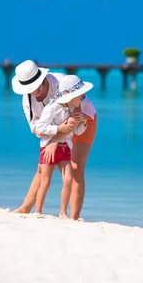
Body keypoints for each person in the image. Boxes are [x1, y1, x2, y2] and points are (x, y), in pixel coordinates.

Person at [11, 60, 98, 220]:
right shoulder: (28, 100)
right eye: (29, 89)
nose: (34, 91)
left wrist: (55, 140)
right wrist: (53, 138)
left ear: (43, 79)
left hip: (83, 119)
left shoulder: (61, 83)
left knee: (76, 167)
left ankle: (73, 218)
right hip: (58, 130)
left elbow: (75, 116)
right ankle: (26, 208)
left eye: (36, 86)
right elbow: (37, 129)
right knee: (41, 167)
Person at [33, 75, 93, 218]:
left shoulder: (74, 110)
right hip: (48, 147)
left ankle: (62, 212)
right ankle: (38, 211)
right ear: (71, 95)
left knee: (68, 179)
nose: (83, 97)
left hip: (65, 147)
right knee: (45, 181)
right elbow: (40, 126)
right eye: (81, 95)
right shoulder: (52, 108)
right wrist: (58, 129)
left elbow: (77, 131)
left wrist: (84, 121)